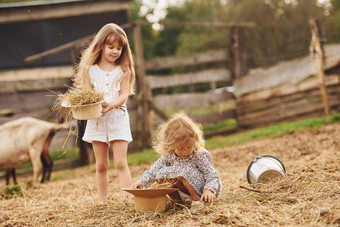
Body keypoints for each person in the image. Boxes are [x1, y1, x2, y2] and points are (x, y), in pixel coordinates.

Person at [74, 23, 135, 201]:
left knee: (120, 162)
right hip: (97, 121)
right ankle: (102, 201)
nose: (115, 51)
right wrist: (95, 104)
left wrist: (113, 104)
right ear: (101, 45)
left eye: (119, 48)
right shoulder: (89, 70)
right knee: (101, 165)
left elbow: (124, 94)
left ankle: (127, 199)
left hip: (118, 119)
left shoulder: (124, 70)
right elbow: (88, 94)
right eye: (111, 47)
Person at [132, 114, 222, 203]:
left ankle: (197, 200)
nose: (185, 151)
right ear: (171, 144)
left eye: (188, 147)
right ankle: (178, 202)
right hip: (184, 189)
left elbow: (212, 175)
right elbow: (153, 171)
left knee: (184, 171)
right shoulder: (169, 154)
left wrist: (209, 190)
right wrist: (141, 182)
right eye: (180, 148)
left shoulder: (199, 154)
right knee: (160, 174)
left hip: (204, 190)